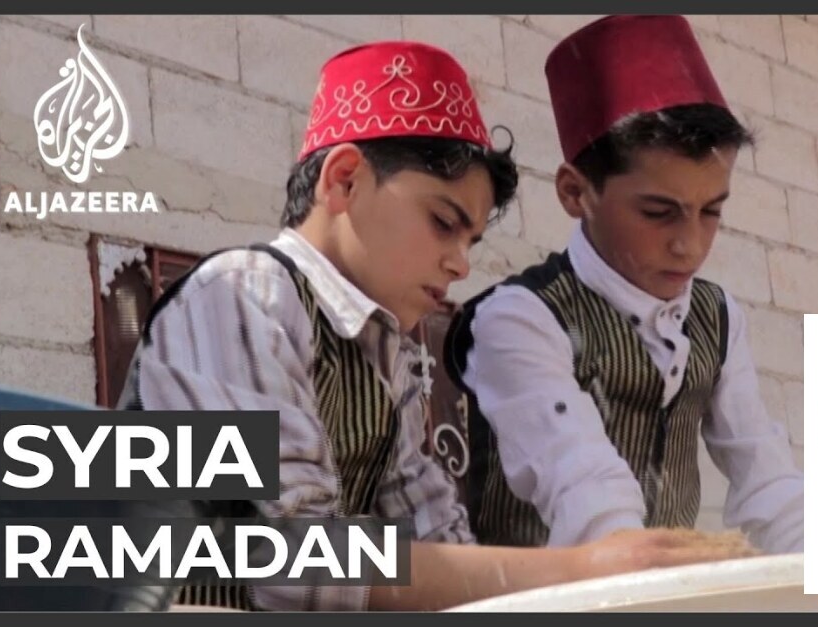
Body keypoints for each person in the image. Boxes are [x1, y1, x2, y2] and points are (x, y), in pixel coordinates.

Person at [119, 39, 754, 612]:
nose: (460, 263)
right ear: (344, 180)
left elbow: (435, 532)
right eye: (443, 222)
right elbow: (294, 562)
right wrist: (581, 568)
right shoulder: (244, 296)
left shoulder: (385, 351)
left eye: (470, 239)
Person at [445, 15, 804, 555]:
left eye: (711, 211)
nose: (689, 245)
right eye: (658, 212)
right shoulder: (519, 318)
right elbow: (586, 492)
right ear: (575, 193)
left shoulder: (719, 317)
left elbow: (768, 480)